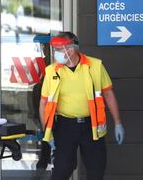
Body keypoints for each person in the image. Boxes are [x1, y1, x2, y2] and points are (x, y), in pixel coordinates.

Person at [39, 32, 125, 180]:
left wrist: (118, 123)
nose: (55, 54)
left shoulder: (95, 66)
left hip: (92, 125)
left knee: (96, 170)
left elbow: (108, 94)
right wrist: (47, 131)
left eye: (58, 50)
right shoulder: (51, 71)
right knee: (62, 169)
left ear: (71, 50)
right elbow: (43, 103)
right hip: (65, 126)